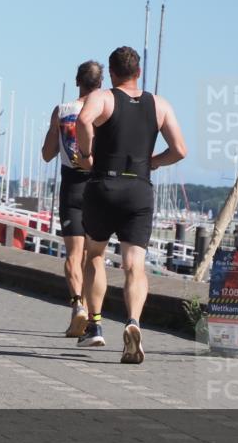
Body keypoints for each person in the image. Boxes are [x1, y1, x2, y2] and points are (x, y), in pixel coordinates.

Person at [76, 46, 186, 363]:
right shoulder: (159, 105)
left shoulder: (103, 98)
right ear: (138, 72)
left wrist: (86, 154)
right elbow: (180, 150)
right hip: (139, 188)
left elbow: (83, 120)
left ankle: (95, 326)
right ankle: (133, 321)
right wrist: (154, 161)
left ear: (111, 73)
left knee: (95, 255)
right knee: (134, 265)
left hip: (104, 184)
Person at [41, 60, 104, 338]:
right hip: (97, 186)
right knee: (94, 257)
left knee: (74, 255)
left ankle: (77, 305)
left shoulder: (62, 111)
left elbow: (47, 154)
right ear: (100, 84)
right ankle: (91, 318)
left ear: (78, 81)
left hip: (71, 187)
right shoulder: (104, 110)